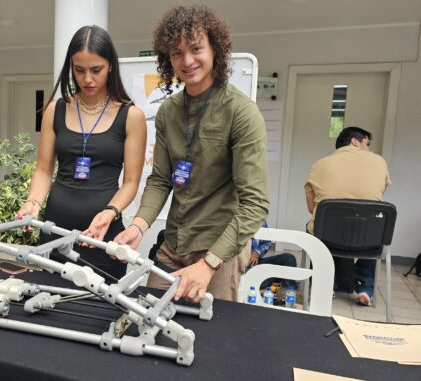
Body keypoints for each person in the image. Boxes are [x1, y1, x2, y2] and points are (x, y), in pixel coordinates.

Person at [114, 5, 269, 303]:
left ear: (215, 49)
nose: (187, 60)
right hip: (173, 244)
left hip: (219, 248)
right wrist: (138, 226)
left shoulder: (241, 113)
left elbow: (255, 204)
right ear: (166, 58)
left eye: (196, 48)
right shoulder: (168, 112)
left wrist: (210, 263)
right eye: (176, 53)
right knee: (150, 321)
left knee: (211, 338)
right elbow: (160, 179)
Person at [17, 25, 147, 279]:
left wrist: (110, 212)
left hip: (101, 232)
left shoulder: (131, 116)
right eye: (79, 70)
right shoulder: (56, 110)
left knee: (100, 308)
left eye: (95, 70)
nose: (87, 79)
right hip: (55, 228)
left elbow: (131, 182)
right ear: (70, 68)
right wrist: (33, 202)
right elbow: (44, 169)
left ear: (110, 66)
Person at [304, 126, 391, 306]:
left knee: (316, 225)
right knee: (374, 227)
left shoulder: (319, 164)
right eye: (367, 143)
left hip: (328, 237)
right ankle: (366, 288)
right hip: (368, 241)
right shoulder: (379, 162)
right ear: (354, 141)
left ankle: (323, 285)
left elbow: (312, 208)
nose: (369, 149)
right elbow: (378, 197)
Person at [248, 222, 298, 290]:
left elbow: (267, 243)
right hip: (240, 268)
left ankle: (287, 289)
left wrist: (257, 252)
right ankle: (279, 283)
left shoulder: (261, 219)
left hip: (257, 263)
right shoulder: (234, 217)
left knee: (289, 258)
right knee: (256, 281)